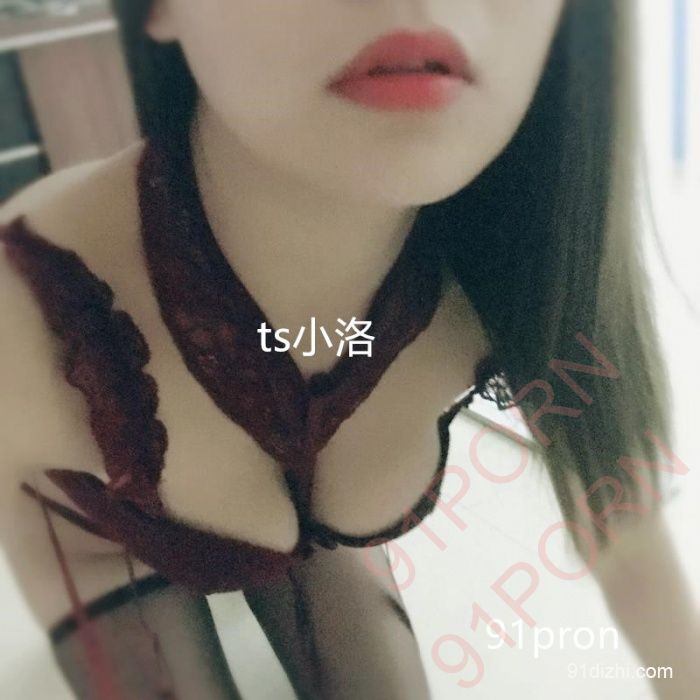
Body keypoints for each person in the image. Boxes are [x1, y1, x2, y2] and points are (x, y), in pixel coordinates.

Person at [0, 0, 697, 698]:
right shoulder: (25, 308)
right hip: (99, 536)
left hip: (309, 518)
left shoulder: (534, 263)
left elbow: (632, 539)